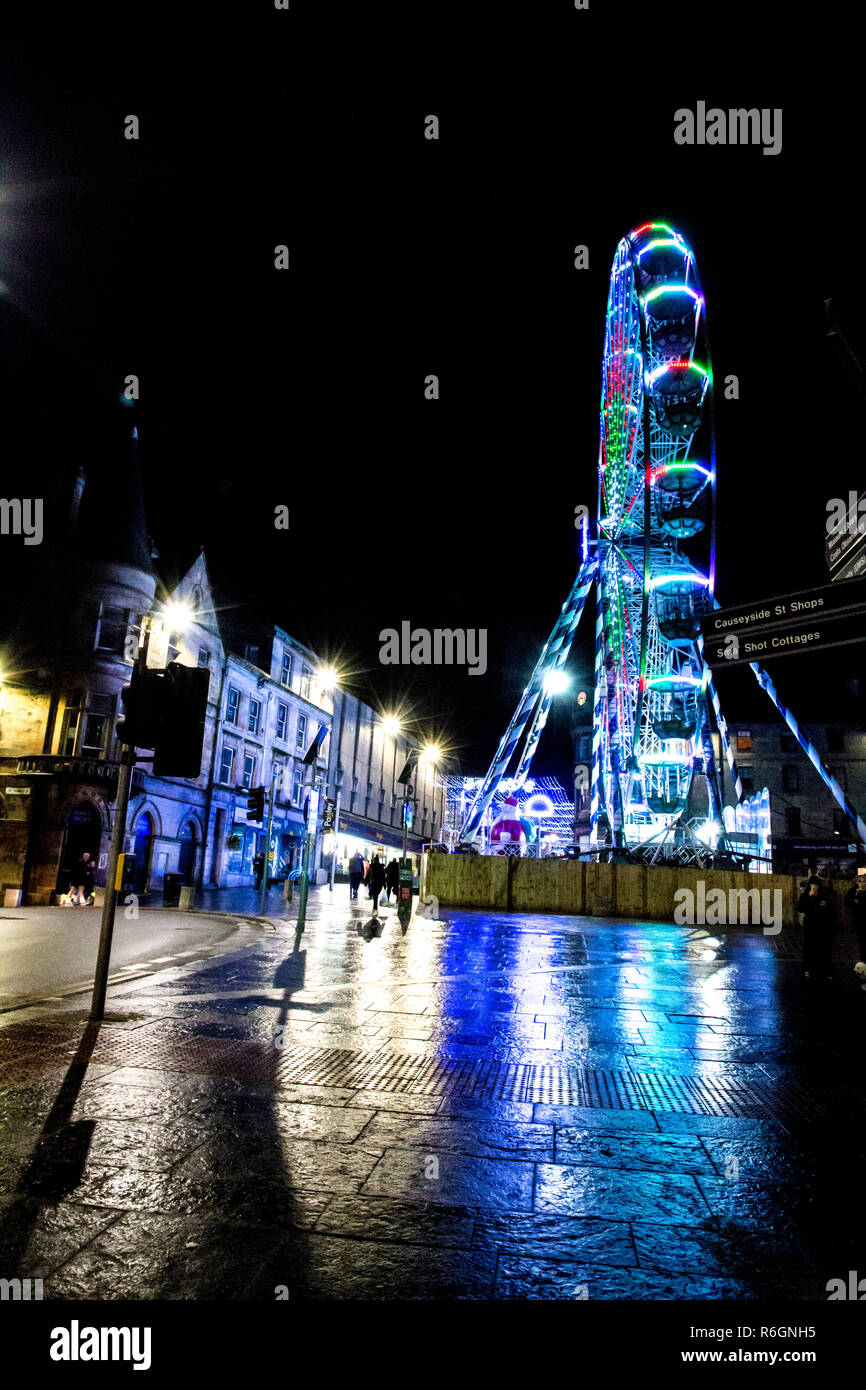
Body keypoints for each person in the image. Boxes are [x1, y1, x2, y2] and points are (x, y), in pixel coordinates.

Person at [798, 874, 837, 980]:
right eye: (812, 884)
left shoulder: (825, 896)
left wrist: (826, 906)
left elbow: (832, 910)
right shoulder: (805, 896)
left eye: (816, 884)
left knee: (824, 948)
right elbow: (801, 908)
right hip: (810, 926)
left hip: (823, 927)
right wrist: (809, 897)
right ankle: (809, 969)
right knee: (809, 948)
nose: (814, 886)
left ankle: (825, 970)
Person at [845, 878, 866, 986]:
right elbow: (848, 902)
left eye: (864, 881)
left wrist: (859, 899)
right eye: (861, 881)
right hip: (860, 923)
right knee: (862, 946)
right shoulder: (853, 891)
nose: (862, 883)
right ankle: (863, 969)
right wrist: (856, 900)